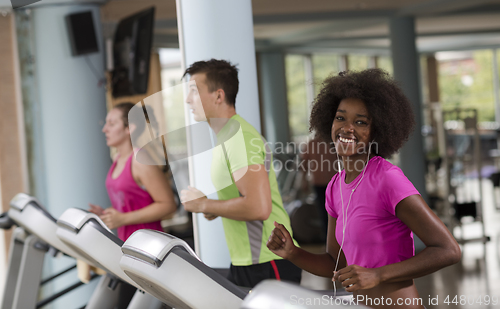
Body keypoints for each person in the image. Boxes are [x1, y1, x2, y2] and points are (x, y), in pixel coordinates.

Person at [267, 69, 461, 309]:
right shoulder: (335, 187)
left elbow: (448, 250)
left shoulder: (388, 179)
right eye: (341, 118)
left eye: (360, 122)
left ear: (377, 131)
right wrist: (293, 252)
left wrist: (378, 274)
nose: (347, 128)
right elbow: (336, 265)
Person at [180, 59, 302, 288]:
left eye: (194, 91)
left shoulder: (239, 139)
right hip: (248, 260)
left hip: (269, 260)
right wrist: (215, 207)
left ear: (218, 96)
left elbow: (258, 207)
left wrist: (205, 205)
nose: (188, 99)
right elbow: (246, 197)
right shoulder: (227, 137)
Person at [90, 103, 177, 308]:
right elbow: (129, 205)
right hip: (127, 253)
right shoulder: (118, 159)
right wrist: (107, 215)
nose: (105, 129)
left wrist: (123, 218)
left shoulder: (140, 160)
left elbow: (168, 205)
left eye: (111, 123)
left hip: (149, 255)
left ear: (130, 128)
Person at [300, 137, 338, 238]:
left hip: (333, 182)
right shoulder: (313, 144)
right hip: (320, 183)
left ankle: (333, 239)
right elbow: (304, 164)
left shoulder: (333, 143)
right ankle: (328, 240)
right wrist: (303, 180)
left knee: (333, 212)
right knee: (324, 212)